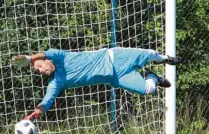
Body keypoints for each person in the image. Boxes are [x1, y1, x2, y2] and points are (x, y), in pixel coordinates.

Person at [12, 47, 180, 121]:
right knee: (148, 89)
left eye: (40, 66)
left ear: (47, 61)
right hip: (116, 77)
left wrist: (29, 59)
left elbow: (45, 52)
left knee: (151, 55)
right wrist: (31, 116)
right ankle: (154, 77)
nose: (40, 70)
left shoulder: (59, 56)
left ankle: (166, 59)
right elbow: (45, 103)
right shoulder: (56, 82)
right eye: (37, 70)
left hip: (116, 57)